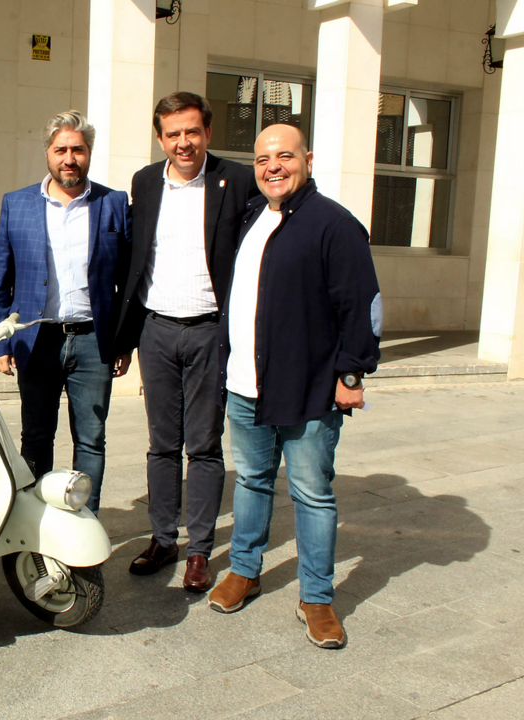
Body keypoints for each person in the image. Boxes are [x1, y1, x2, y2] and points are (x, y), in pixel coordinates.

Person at [207, 124, 381, 649]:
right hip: (244, 383)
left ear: (308, 158)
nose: (273, 166)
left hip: (307, 387)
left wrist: (352, 374)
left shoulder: (334, 223)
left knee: (312, 494)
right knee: (253, 482)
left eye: (285, 156)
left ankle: (318, 598)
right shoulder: (251, 217)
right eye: (263, 159)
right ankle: (245, 571)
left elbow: (361, 304)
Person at [114, 92, 260, 592]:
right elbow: (136, 259)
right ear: (160, 138)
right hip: (156, 329)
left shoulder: (237, 180)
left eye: (192, 132)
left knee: (203, 444)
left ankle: (199, 549)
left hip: (209, 330)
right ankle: (162, 537)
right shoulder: (144, 182)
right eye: (173, 134)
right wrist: (125, 338)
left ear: (208, 134)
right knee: (161, 444)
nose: (183, 143)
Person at [0, 110, 131, 514]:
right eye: (61, 149)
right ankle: (34, 520)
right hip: (38, 340)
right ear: (48, 153)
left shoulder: (114, 204)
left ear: (89, 154)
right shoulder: (17, 204)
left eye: (78, 150)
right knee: (35, 437)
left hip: (93, 342)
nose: (70, 158)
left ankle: (86, 519)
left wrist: (124, 341)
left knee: (90, 440)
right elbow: (0, 276)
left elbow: (126, 281)